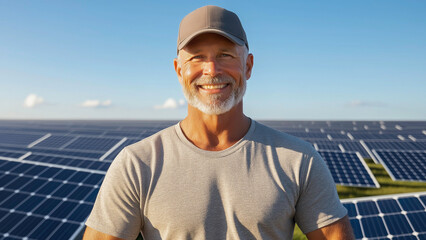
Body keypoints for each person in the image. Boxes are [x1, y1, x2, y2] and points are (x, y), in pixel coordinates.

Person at [83, 5, 354, 240]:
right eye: (197, 57)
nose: (211, 70)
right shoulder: (137, 164)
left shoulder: (298, 160)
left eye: (225, 55)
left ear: (248, 66)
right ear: (179, 70)